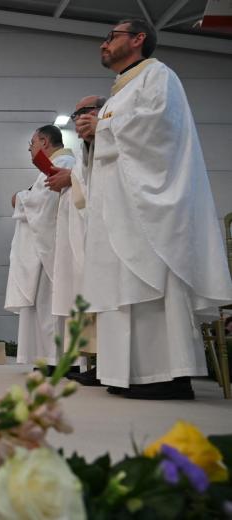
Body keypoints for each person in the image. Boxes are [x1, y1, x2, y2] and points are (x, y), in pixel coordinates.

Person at [74, 18, 232, 399]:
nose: (104, 44)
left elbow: (161, 128)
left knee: (150, 286)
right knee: (119, 288)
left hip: (148, 211)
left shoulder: (158, 76)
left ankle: (168, 376)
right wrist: (95, 137)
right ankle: (127, 373)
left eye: (111, 36)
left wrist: (104, 129)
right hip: (118, 208)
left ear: (139, 39)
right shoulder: (120, 92)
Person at [4, 125, 76, 369]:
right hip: (42, 246)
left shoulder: (65, 161)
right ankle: (46, 357)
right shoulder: (60, 163)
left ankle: (55, 359)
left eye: (32, 143)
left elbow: (44, 203)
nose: (30, 149)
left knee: (49, 307)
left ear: (44, 141)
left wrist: (19, 197)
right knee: (41, 307)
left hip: (50, 248)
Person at [49, 95, 106, 385]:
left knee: (94, 299)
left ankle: (100, 363)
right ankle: (95, 362)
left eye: (82, 113)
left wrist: (69, 179)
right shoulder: (86, 149)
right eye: (76, 115)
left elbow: (97, 182)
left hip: (99, 231)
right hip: (84, 232)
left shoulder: (109, 136)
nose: (78, 120)